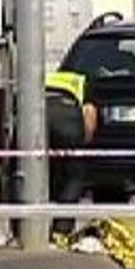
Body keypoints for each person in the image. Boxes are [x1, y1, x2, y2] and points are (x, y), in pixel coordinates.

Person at [45, 70, 97, 236]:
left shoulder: (46, 75)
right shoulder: (82, 80)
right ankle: (61, 230)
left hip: (35, 111)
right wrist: (83, 141)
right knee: (74, 175)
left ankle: (22, 228)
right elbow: (89, 113)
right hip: (66, 112)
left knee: (26, 167)